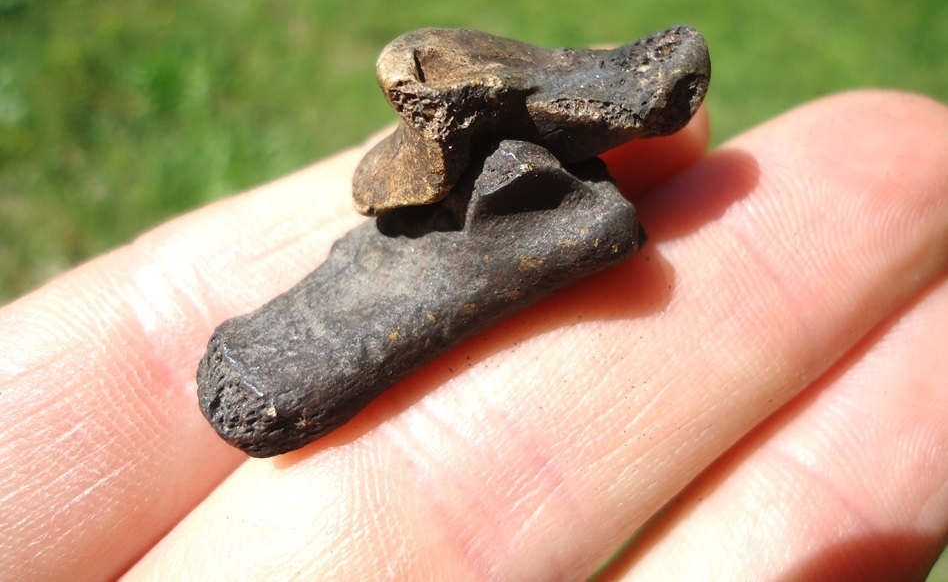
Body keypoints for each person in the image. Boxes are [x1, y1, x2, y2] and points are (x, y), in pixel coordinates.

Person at [1, 90, 946, 580]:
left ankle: (538, 196)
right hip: (426, 269)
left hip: (481, 245)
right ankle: (536, 198)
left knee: (566, 226)